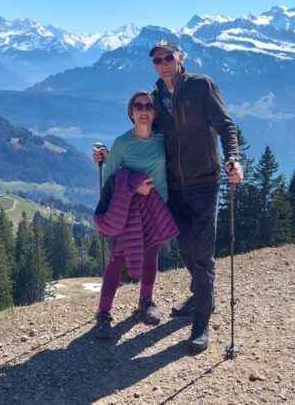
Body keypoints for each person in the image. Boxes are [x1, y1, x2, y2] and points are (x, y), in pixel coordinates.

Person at [95, 40, 243, 353]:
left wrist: (233, 157)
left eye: (168, 57)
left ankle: (201, 322)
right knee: (186, 248)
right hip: (174, 188)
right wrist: (108, 155)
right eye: (157, 60)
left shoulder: (201, 87)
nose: (163, 63)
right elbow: (141, 133)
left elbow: (225, 125)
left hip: (204, 183)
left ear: (180, 58)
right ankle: (199, 295)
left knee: (201, 252)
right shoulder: (156, 97)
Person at [91, 91, 178, 340]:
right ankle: (104, 313)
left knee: (151, 254)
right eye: (138, 106)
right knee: (117, 259)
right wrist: (133, 185)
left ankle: (146, 302)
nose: (143, 110)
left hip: (157, 208)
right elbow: (111, 178)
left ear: (154, 112)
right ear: (131, 113)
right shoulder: (121, 143)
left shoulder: (163, 138)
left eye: (148, 106)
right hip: (128, 213)